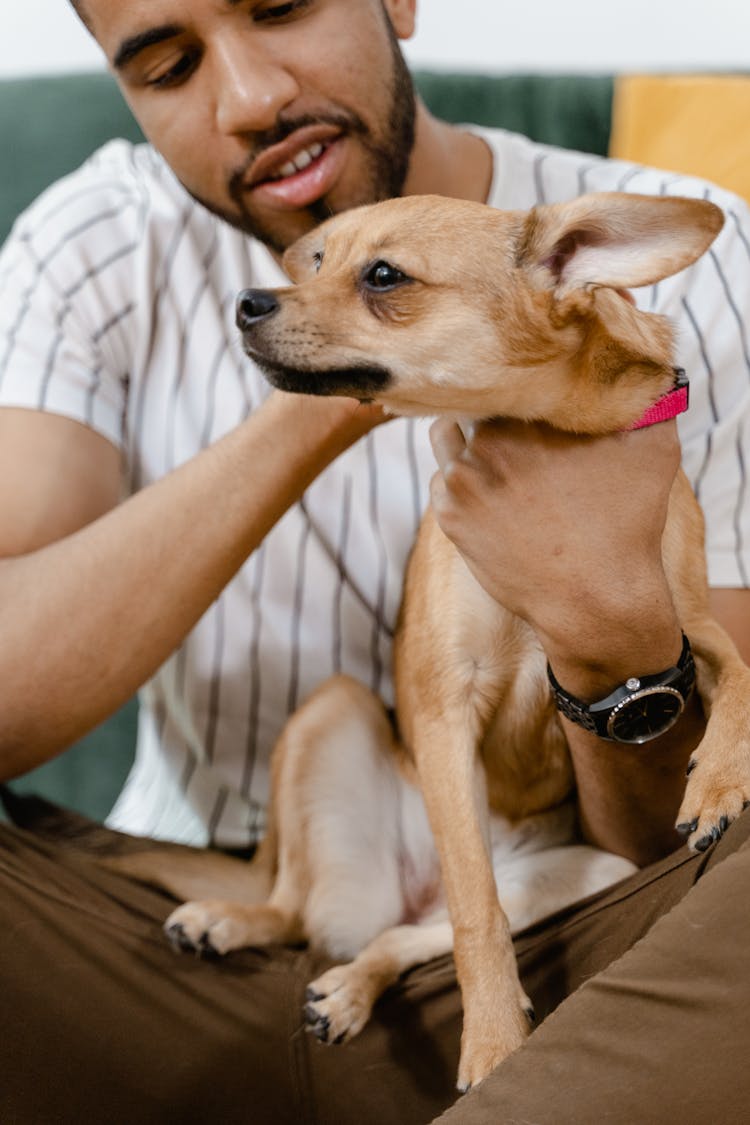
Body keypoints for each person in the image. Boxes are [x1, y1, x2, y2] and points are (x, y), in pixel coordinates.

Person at [1, 1, 749, 1121]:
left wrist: (602, 625)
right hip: (179, 960)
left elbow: (687, 847)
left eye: (281, 4)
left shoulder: (693, 284)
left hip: (572, 956)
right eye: (166, 64)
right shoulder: (98, 244)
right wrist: (332, 378)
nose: (251, 98)